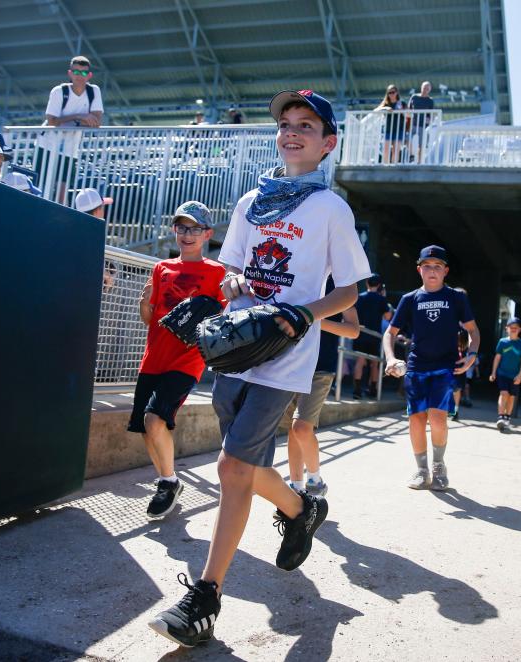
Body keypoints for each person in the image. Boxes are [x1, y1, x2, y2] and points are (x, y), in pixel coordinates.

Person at [148, 89, 371, 648]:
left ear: (327, 143)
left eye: (306, 125)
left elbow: (347, 290)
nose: (292, 132)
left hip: (286, 356)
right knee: (242, 469)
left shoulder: (331, 208)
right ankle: (301, 508)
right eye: (286, 123)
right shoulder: (251, 201)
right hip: (236, 349)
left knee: (229, 468)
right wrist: (234, 285)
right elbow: (229, 272)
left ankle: (204, 599)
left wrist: (304, 312)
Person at [130, 201, 225, 520]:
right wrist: (144, 304)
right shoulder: (161, 268)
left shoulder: (217, 272)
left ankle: (168, 481)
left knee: (155, 419)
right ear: (174, 230)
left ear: (207, 234)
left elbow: (225, 319)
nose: (187, 234)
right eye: (181, 227)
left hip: (187, 360)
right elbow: (150, 318)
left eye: (195, 228)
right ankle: (167, 481)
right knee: (147, 427)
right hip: (153, 357)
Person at [383, 245, 480, 491]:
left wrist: (471, 354)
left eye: (438, 267)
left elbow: (473, 331)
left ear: (446, 271)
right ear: (419, 270)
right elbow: (390, 333)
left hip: (445, 367)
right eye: (427, 266)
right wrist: (391, 358)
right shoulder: (409, 299)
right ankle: (421, 469)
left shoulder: (457, 297)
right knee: (416, 420)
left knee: (437, 419)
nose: (432, 271)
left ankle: (438, 466)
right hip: (416, 367)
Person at [285, 278, 360, 496]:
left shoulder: (339, 284)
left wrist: (314, 319)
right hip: (288, 365)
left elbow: (353, 330)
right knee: (293, 431)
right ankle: (296, 488)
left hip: (320, 368)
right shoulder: (296, 273)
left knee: (301, 427)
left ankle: (315, 482)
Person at [39, 56, 104, 204]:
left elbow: (96, 121)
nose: (79, 76)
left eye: (83, 73)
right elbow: (51, 121)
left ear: (89, 76)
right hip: (47, 143)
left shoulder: (94, 91)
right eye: (76, 72)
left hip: (71, 145)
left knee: (63, 187)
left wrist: (75, 119)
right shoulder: (59, 91)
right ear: (70, 73)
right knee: (43, 184)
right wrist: (80, 116)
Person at [352, 273, 391, 399]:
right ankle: (373, 389)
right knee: (375, 363)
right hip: (375, 335)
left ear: (367, 283)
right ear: (379, 285)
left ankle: (357, 390)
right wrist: (383, 298)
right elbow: (388, 317)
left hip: (361, 333)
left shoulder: (360, 297)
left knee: (360, 361)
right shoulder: (381, 299)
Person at [490, 317, 521, 431]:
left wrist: (520, 375)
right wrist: (493, 373)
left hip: (515, 375)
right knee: (504, 393)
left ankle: (507, 417)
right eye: (511, 327)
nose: (513, 329)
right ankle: (500, 417)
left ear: (520, 329)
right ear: (506, 328)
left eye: (515, 327)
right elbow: (497, 358)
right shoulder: (502, 342)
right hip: (502, 373)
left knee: (511, 397)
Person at [375, 84, 406, 164]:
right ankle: (385, 167)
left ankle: (394, 167)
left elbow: (410, 114)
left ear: (397, 93)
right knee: (386, 149)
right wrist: (385, 108)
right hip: (388, 129)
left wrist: (402, 111)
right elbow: (375, 111)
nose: (391, 94)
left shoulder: (402, 103)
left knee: (395, 150)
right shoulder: (385, 103)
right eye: (389, 93)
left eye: (393, 92)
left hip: (399, 129)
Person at [407, 81, 436, 162]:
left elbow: (431, 115)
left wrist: (429, 120)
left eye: (427, 88)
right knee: (406, 139)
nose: (425, 90)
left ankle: (419, 162)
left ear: (429, 90)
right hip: (412, 123)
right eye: (424, 88)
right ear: (421, 88)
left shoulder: (430, 101)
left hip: (423, 126)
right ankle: (411, 155)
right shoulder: (414, 97)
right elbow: (409, 109)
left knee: (422, 145)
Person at [450, 329, 472, 421]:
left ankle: (455, 411)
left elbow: (471, 357)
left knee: (456, 390)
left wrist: (460, 361)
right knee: (449, 390)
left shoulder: (467, 347)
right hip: (450, 370)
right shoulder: (451, 346)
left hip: (460, 371)